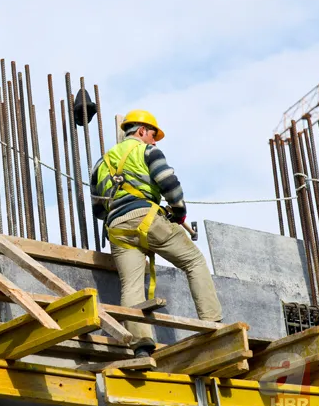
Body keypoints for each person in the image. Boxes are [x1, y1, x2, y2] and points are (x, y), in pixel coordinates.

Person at [90, 110, 222, 357]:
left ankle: (141, 345)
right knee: (194, 261)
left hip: (117, 228)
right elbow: (169, 183)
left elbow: (98, 209)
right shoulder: (147, 151)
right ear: (141, 131)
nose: (154, 141)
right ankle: (213, 324)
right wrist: (179, 212)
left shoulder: (101, 163)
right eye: (152, 135)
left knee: (131, 285)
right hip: (148, 219)